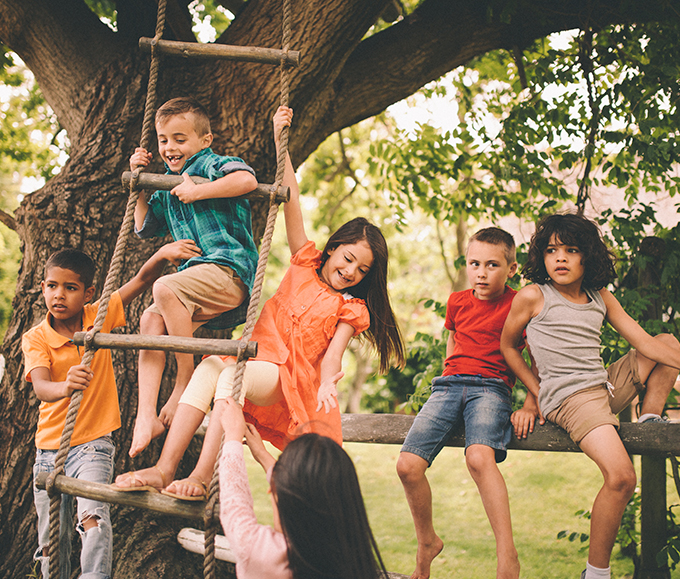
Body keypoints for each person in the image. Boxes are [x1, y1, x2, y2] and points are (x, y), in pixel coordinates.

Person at [113, 105, 405, 499]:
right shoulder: (305, 262)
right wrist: (278, 139)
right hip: (257, 358)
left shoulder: (351, 308)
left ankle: (200, 476)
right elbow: (292, 196)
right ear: (333, 249)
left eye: (362, 270)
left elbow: (334, 354)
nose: (351, 271)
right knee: (210, 367)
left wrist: (328, 380)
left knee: (229, 376)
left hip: (288, 380)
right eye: (348, 258)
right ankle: (164, 469)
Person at [500, 212, 680, 579]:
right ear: (541, 255)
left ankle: (649, 417)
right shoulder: (534, 296)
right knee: (621, 478)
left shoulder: (600, 296)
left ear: (588, 256)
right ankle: (596, 573)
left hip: (602, 385)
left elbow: (645, 344)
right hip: (571, 398)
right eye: (552, 250)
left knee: (666, 343)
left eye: (571, 250)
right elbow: (509, 347)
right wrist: (537, 392)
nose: (560, 258)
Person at [23, 242, 198, 579]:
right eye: (51, 286)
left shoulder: (96, 318)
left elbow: (141, 280)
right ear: (43, 287)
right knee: (50, 537)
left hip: (92, 445)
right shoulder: (35, 338)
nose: (58, 295)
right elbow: (42, 388)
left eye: (70, 288)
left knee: (93, 521)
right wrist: (66, 386)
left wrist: (162, 254)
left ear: (88, 293)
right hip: (48, 449)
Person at [128, 96, 260, 458]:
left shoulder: (215, 164)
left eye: (179, 139)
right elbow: (144, 227)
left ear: (205, 140)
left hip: (229, 271)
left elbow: (246, 180)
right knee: (150, 318)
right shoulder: (165, 186)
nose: (170, 147)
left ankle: (182, 382)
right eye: (163, 140)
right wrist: (139, 184)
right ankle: (146, 415)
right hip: (197, 283)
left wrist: (199, 189)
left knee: (164, 286)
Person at [396, 227, 524, 579]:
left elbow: (534, 353)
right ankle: (427, 541)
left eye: (492, 265)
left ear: (511, 269)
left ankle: (507, 554)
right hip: (449, 386)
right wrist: (447, 375)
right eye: (474, 263)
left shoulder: (519, 302)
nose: (481, 272)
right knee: (407, 465)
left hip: (491, 388)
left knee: (478, 457)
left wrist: (530, 403)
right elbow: (453, 340)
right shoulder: (457, 301)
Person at [218, 397, 390, 579]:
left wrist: (232, 437)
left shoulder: (268, 556)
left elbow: (234, 503)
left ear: (286, 501)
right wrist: (261, 454)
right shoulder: (350, 556)